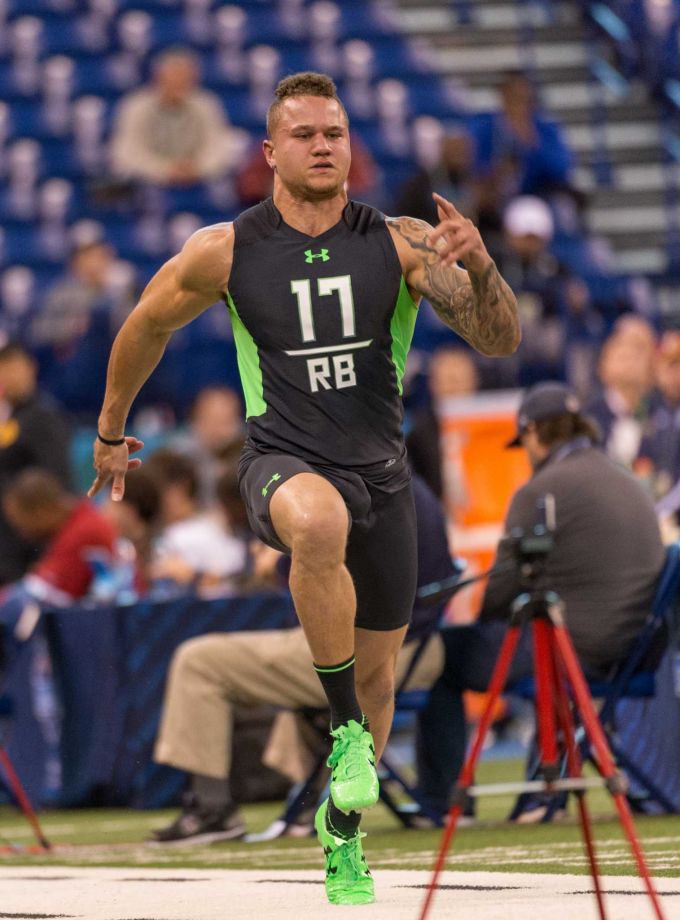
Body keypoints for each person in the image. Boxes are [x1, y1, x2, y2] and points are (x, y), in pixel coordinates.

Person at [88, 71, 520, 905]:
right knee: (316, 524)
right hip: (280, 462)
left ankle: (343, 837)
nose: (324, 146)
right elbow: (144, 323)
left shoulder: (401, 242)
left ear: (351, 145)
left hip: (383, 477)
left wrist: (484, 265)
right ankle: (346, 738)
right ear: (270, 152)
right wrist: (110, 428)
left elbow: (498, 340)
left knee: (379, 673)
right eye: (306, 135)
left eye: (336, 133)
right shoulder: (227, 248)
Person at [150, 474, 453, 844]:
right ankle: (308, 798)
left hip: (383, 653)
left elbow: (325, 576)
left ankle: (212, 810)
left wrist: (276, 565)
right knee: (304, 653)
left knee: (198, 660)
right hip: (421, 647)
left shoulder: (353, 484)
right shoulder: (409, 482)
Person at [415, 381, 665, 823]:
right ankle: (541, 794)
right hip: (635, 651)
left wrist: (481, 616)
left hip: (574, 650)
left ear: (532, 434)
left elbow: (500, 595)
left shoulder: (541, 490)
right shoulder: (626, 478)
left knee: (439, 657)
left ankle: (444, 805)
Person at [110, 48, 243, 186]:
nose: (177, 85)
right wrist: (165, 169)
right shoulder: (135, 106)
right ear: (157, 79)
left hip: (199, 181)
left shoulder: (206, 104)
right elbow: (126, 152)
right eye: (172, 79)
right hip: (149, 183)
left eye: (184, 80)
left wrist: (197, 167)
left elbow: (218, 145)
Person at [0, 340, 72, 586]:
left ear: (30, 367)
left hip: (30, 544)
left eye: (12, 366)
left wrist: (47, 550)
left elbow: (57, 482)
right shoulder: (11, 420)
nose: (7, 375)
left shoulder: (43, 417)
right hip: (9, 540)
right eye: (2, 367)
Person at [406, 346, 479, 500]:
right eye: (448, 381)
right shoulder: (419, 433)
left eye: (458, 381)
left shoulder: (491, 426)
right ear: (433, 384)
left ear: (474, 382)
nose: (454, 389)